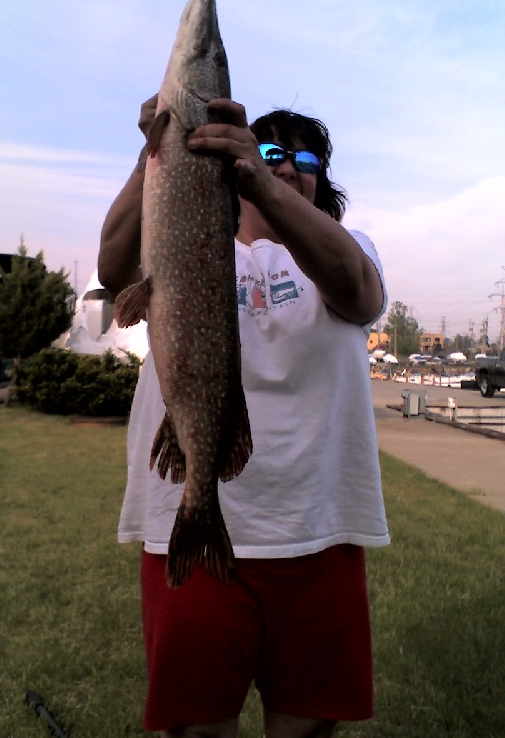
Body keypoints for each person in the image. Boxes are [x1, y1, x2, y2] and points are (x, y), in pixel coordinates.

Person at [98, 94, 389, 738]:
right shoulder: (179, 241)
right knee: (196, 727)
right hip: (189, 528)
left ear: (322, 179)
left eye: (305, 157)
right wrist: (160, 149)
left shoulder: (348, 246)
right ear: (230, 160)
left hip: (319, 532)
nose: (288, 167)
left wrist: (258, 176)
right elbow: (112, 268)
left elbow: (355, 288)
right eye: (272, 151)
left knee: (308, 727)